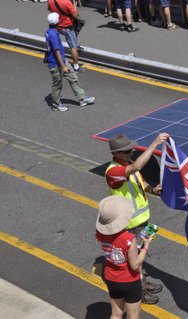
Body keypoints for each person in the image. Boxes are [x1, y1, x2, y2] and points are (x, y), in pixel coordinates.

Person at [105, 132, 169, 304]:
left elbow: (140, 182)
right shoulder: (114, 172)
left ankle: (142, 282)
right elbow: (136, 168)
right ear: (116, 154)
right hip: (130, 224)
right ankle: (138, 291)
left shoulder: (127, 163)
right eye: (126, 151)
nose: (130, 153)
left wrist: (153, 189)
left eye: (130, 150)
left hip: (142, 221)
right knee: (134, 260)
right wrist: (154, 144)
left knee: (142, 254)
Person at [96, 195, 154, 319]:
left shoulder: (99, 234)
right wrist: (146, 247)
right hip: (129, 281)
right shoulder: (128, 239)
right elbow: (135, 265)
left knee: (116, 314)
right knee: (133, 314)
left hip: (111, 277)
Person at [45, 12, 95, 112]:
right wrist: (63, 66)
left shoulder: (50, 31)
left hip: (62, 60)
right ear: (57, 21)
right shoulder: (53, 34)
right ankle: (56, 104)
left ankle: (82, 98)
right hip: (56, 63)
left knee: (73, 77)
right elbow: (56, 51)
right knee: (57, 85)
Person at [47, 0, 85, 73]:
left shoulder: (50, 1)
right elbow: (76, 15)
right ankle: (76, 67)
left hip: (57, 26)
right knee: (73, 47)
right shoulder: (67, 2)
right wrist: (74, 5)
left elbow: (50, 9)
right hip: (67, 27)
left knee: (57, 44)